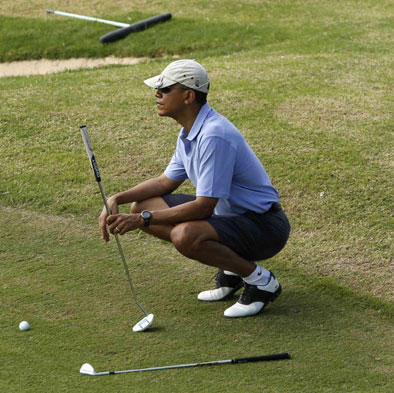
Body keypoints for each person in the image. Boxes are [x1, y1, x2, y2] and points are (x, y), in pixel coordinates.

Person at [99, 59, 290, 318]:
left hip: (264, 227)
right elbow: (165, 182)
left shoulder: (214, 135)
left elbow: (203, 206)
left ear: (188, 95)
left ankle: (261, 282)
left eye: (165, 89)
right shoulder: (190, 131)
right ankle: (233, 270)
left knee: (184, 234)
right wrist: (117, 198)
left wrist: (141, 220)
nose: (157, 94)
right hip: (230, 218)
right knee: (142, 204)